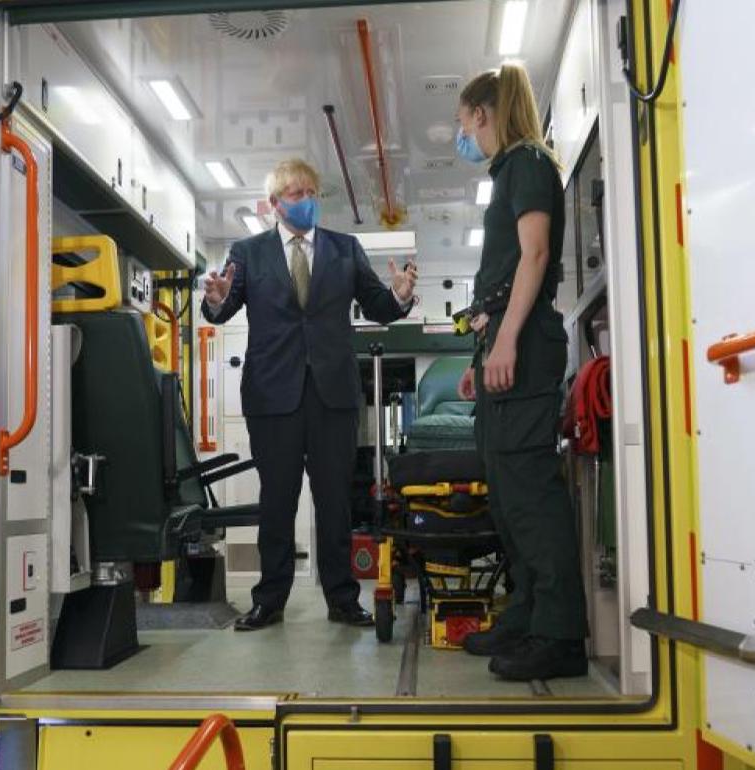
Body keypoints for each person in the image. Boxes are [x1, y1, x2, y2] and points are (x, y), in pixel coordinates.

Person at [201, 159, 418, 631]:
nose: (306, 201)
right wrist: (216, 298)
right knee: (277, 500)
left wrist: (400, 295)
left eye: (311, 192)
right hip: (271, 395)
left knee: (335, 499)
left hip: (332, 395)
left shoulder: (345, 249)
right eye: (295, 194)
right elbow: (221, 311)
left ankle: (342, 598)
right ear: (275, 204)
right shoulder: (248, 252)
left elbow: (380, 307)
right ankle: (270, 599)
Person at [451, 64, 589, 680]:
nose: (466, 137)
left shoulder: (529, 162)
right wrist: (478, 359)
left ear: (484, 114)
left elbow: (533, 255)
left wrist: (505, 342)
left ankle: (560, 637)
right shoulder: (510, 170)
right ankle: (529, 614)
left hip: (525, 345)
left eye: (465, 124)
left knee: (531, 493)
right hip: (504, 344)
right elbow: (504, 275)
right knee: (507, 496)